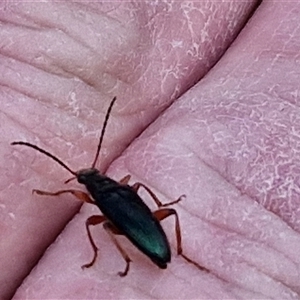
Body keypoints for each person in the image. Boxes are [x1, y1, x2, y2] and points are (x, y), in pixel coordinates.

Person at [1, 1, 299, 299]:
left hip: (144, 234)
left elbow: (81, 193)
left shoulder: (102, 196)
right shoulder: (120, 188)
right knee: (121, 219)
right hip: (144, 230)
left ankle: (137, 257)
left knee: (102, 227)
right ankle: (149, 255)